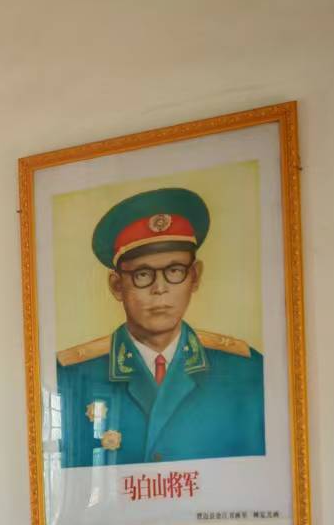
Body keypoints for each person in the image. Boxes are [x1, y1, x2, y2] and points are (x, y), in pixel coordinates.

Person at [55, 186, 265, 469]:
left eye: (175, 271)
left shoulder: (246, 371)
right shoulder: (72, 374)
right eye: (142, 274)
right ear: (117, 286)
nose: (160, 288)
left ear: (194, 277)